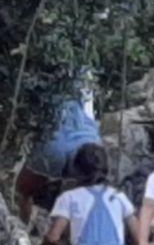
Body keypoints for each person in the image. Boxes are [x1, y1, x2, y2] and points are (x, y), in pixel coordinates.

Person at [17, 85, 100, 219]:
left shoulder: (94, 145)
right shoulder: (53, 154)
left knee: (25, 190)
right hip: (88, 145)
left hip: (64, 143)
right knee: (25, 189)